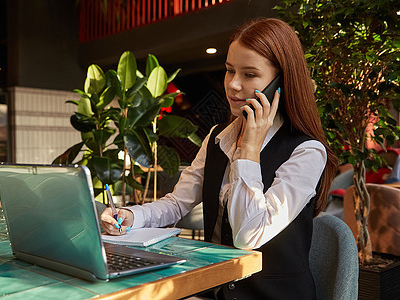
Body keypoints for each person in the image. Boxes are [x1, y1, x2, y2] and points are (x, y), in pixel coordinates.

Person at [101, 18, 337, 299]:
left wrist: (248, 150)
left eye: (249, 75)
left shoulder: (306, 151)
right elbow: (178, 203)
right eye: (229, 71)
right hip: (214, 290)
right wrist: (131, 215)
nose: (233, 85)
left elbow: (248, 237)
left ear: (280, 83)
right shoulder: (218, 137)